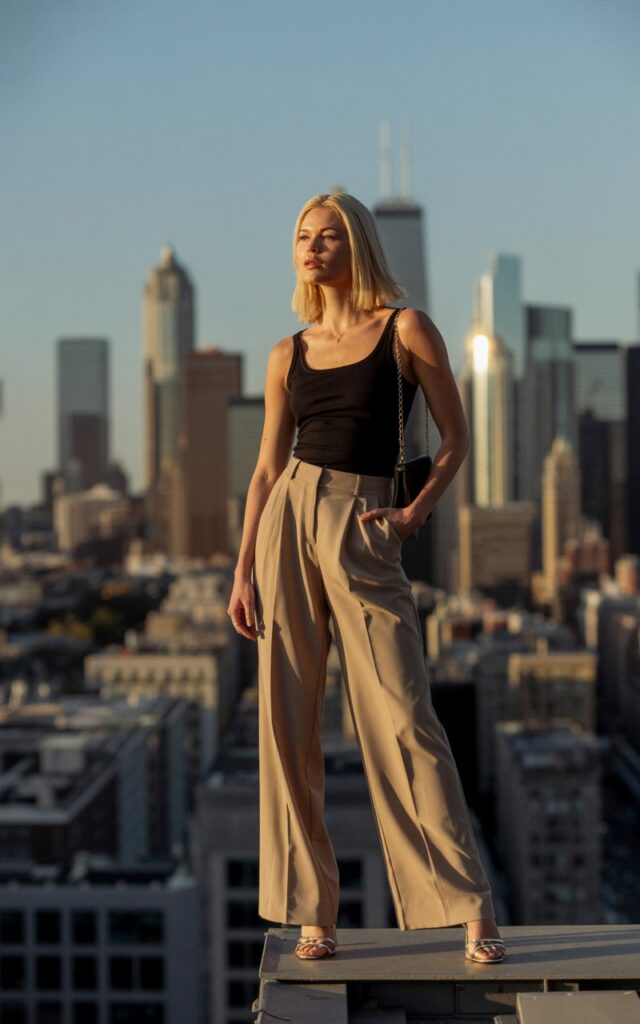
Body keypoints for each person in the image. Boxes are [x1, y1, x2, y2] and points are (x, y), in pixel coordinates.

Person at [227, 191, 506, 965]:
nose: (312, 248)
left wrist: (414, 516)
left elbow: (454, 436)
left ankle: (468, 907)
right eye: (302, 237)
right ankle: (313, 912)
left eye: (328, 236)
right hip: (288, 519)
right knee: (286, 724)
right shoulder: (288, 352)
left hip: (365, 522)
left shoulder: (405, 330)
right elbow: (262, 471)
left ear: (358, 246)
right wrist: (243, 568)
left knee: (403, 716)